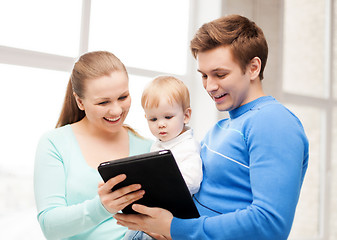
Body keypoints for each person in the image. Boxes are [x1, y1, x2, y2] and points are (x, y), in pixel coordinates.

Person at [113, 14, 309, 240]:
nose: (210, 86)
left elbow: (270, 223)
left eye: (220, 74)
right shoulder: (222, 128)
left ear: (254, 68)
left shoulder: (273, 122)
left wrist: (175, 228)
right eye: (204, 75)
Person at [34, 51, 152, 240]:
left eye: (123, 97)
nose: (116, 110)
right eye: (103, 102)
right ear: (80, 101)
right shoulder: (54, 143)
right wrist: (102, 207)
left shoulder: (149, 148)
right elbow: (50, 227)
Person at [123, 76, 203, 240]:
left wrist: (162, 188)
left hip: (174, 216)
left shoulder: (187, 146)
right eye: (153, 119)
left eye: (168, 117)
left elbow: (193, 181)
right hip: (153, 212)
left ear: (186, 115)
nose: (160, 124)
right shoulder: (159, 144)